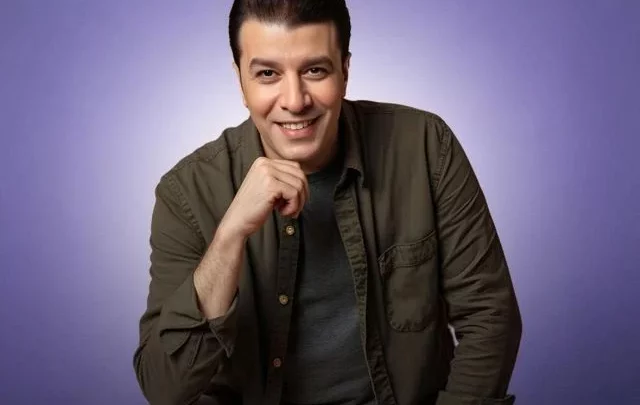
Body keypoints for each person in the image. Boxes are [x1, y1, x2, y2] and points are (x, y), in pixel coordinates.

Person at [133, 1, 523, 404]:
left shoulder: (425, 146)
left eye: (315, 70)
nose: (294, 100)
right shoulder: (186, 193)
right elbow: (165, 388)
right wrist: (229, 236)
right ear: (240, 82)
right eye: (267, 74)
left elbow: (489, 316)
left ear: (345, 71)